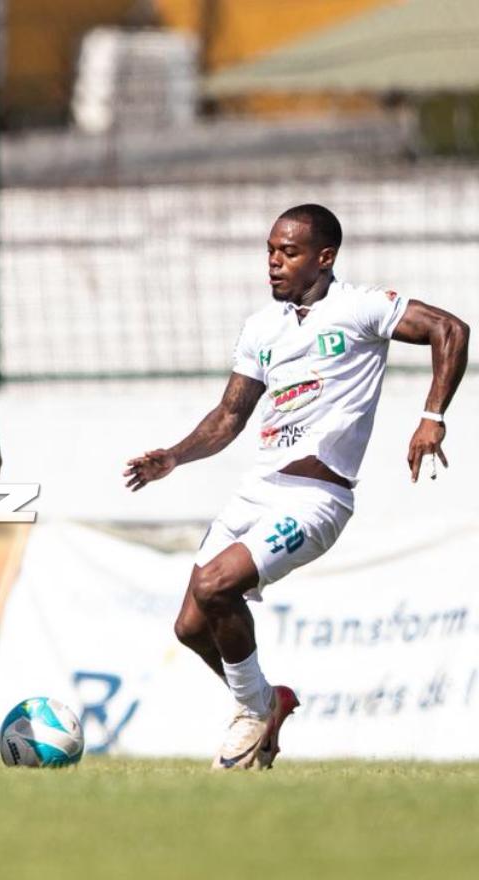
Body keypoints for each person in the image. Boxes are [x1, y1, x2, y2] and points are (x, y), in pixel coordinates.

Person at [124, 204, 469, 770]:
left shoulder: (359, 308)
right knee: (190, 627)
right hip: (257, 490)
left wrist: (433, 418)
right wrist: (174, 457)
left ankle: (250, 712)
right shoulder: (264, 327)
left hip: (317, 498)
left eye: (288, 252)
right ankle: (267, 701)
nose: (274, 263)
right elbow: (229, 416)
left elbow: (449, 329)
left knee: (216, 586)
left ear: (324, 257)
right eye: (270, 251)